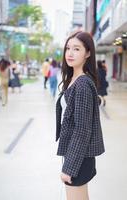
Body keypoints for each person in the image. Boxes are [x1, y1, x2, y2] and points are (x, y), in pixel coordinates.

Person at [55, 31, 105, 200]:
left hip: (79, 156)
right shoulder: (73, 79)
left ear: (88, 53)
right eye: (68, 48)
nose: (70, 53)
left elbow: (82, 130)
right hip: (75, 153)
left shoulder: (82, 83)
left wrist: (69, 167)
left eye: (76, 49)